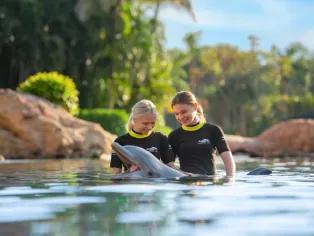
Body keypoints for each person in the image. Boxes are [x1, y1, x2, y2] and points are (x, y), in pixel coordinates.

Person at [168, 91, 236, 177]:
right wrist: (183, 174)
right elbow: (169, 165)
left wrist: (230, 180)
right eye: (176, 114)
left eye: (184, 112)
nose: (180, 117)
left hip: (209, 185)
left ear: (195, 106)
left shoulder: (213, 130)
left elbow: (228, 160)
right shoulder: (174, 136)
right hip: (186, 184)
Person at [110, 99, 176, 174]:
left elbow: (171, 170)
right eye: (145, 123)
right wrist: (131, 173)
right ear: (134, 120)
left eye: (153, 123)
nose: (150, 127)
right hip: (131, 183)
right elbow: (116, 175)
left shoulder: (161, 138)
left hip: (154, 183)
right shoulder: (120, 142)